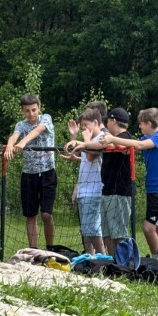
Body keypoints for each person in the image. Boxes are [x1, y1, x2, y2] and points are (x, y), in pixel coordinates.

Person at [98, 107, 158, 261]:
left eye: (141, 124)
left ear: (149, 123)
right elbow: (130, 148)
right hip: (153, 189)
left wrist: (113, 139)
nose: (139, 126)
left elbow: (139, 146)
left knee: (148, 227)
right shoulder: (145, 138)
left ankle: (155, 258)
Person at [4, 93, 57, 248]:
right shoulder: (21, 125)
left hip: (47, 172)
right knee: (30, 214)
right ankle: (33, 249)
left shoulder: (46, 118)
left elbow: (38, 131)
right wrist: (10, 145)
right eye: (27, 111)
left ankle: (50, 248)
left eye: (34, 110)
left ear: (39, 108)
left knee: (46, 214)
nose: (31, 113)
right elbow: (14, 136)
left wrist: (22, 143)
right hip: (28, 174)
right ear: (22, 111)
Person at [63, 106, 105, 254]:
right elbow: (79, 154)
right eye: (82, 127)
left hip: (94, 191)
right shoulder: (89, 140)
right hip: (84, 189)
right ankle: (89, 258)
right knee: (86, 229)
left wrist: (85, 140)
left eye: (86, 125)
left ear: (95, 122)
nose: (84, 129)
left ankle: (102, 257)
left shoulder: (101, 138)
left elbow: (91, 156)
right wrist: (73, 137)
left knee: (93, 229)